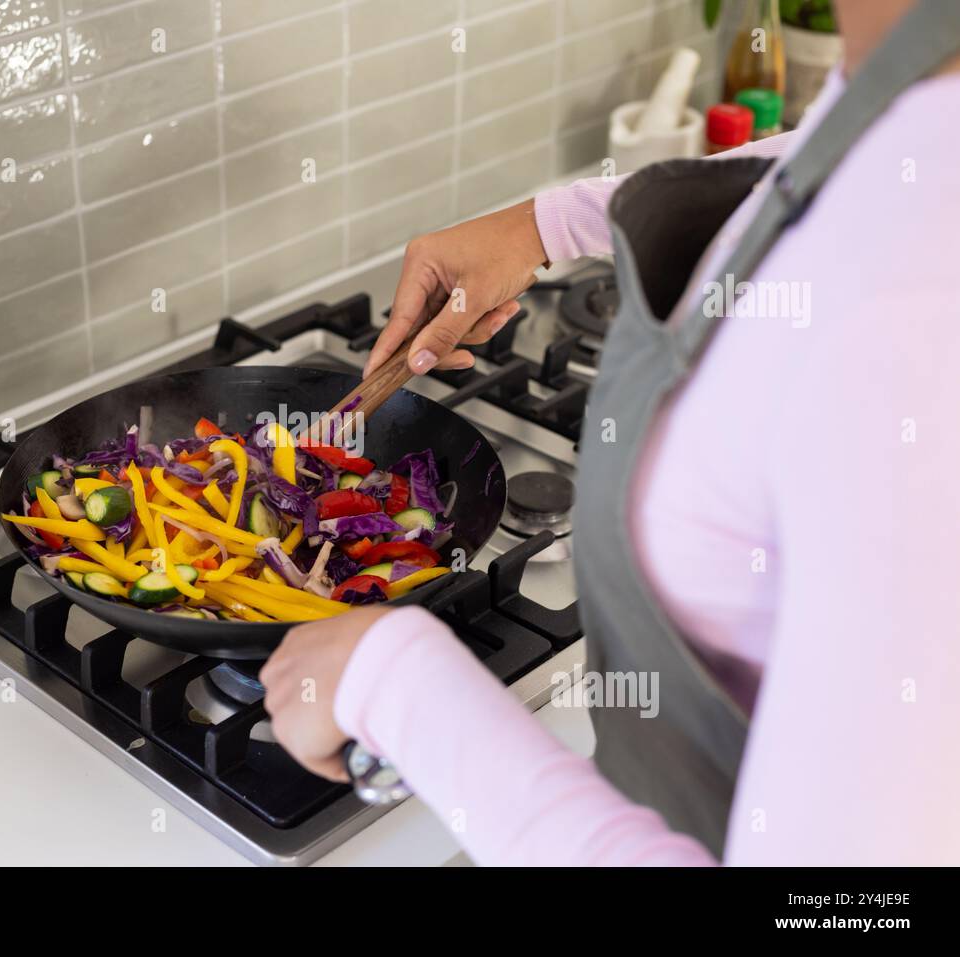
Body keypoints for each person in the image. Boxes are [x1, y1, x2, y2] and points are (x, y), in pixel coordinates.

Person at [259, 0, 960, 865]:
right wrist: (546, 225)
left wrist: (393, 680)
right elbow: (823, 165)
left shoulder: (912, 319)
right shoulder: (914, 82)